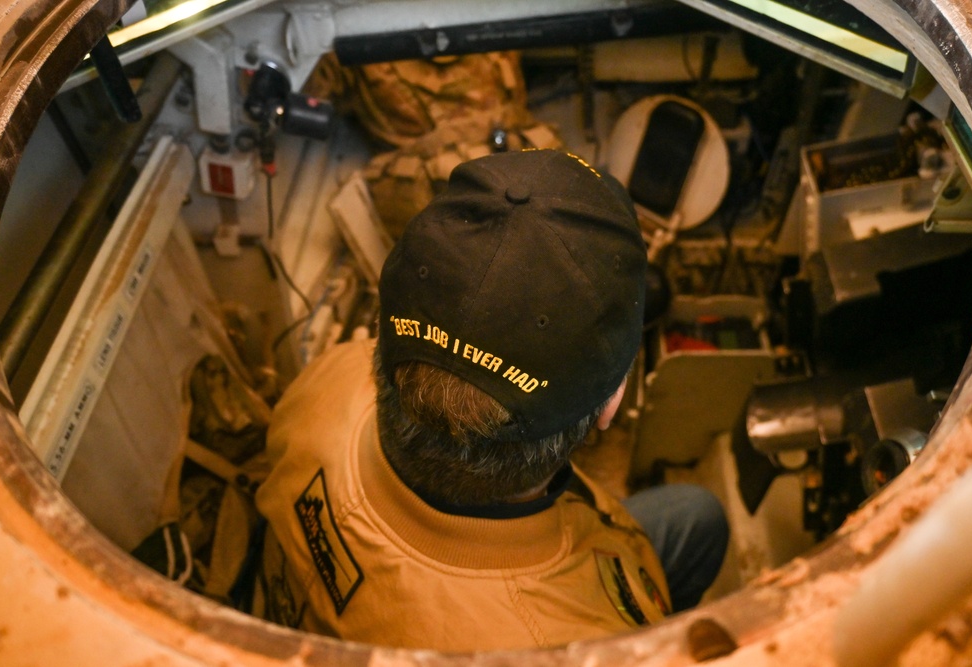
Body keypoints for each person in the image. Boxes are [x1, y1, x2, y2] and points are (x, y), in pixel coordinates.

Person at [252, 149, 728, 651]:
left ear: (382, 335)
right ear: (610, 405)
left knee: (697, 518)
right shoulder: (565, 648)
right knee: (701, 521)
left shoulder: (331, 377)